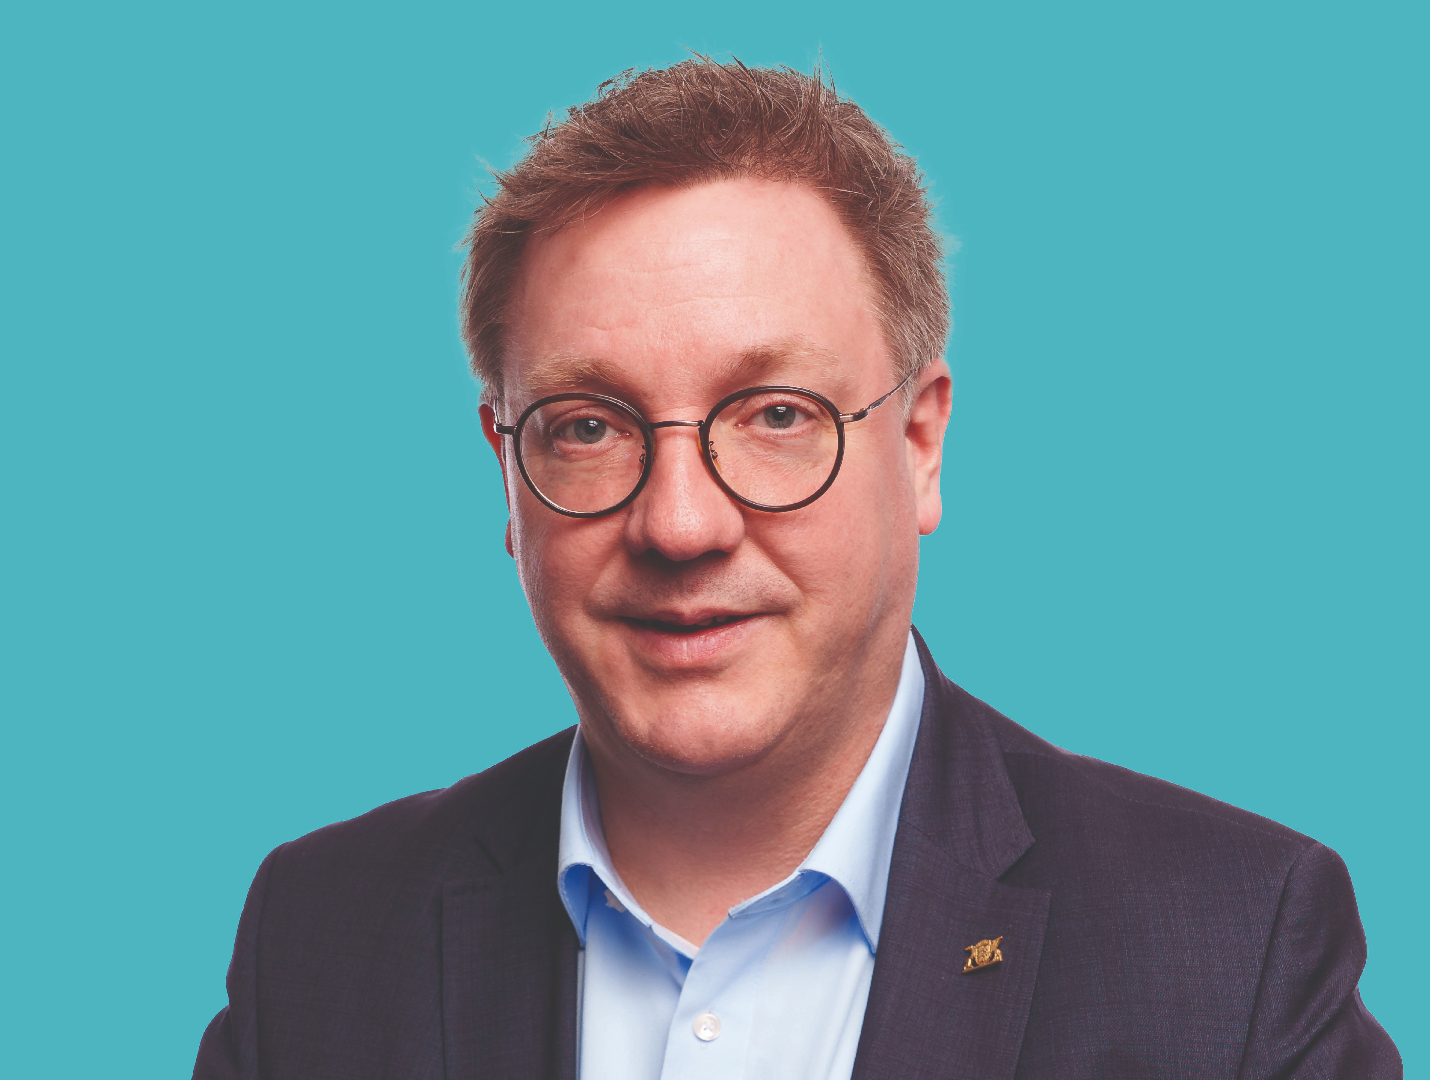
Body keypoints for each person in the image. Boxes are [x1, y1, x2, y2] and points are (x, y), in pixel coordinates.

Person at [193, 58, 1400, 1079]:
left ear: (918, 446)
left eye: (775, 415)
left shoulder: (1232, 948)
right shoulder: (319, 938)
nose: (679, 524)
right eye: (588, 426)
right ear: (505, 470)